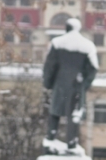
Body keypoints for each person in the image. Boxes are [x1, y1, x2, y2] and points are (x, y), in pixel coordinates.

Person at [42, 18, 99, 149]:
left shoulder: (57, 43)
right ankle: (72, 142)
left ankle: (51, 137)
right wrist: (84, 85)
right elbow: (93, 68)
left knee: (55, 112)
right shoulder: (87, 46)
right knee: (74, 115)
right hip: (76, 87)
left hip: (59, 85)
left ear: (66, 28)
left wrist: (48, 83)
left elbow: (49, 66)